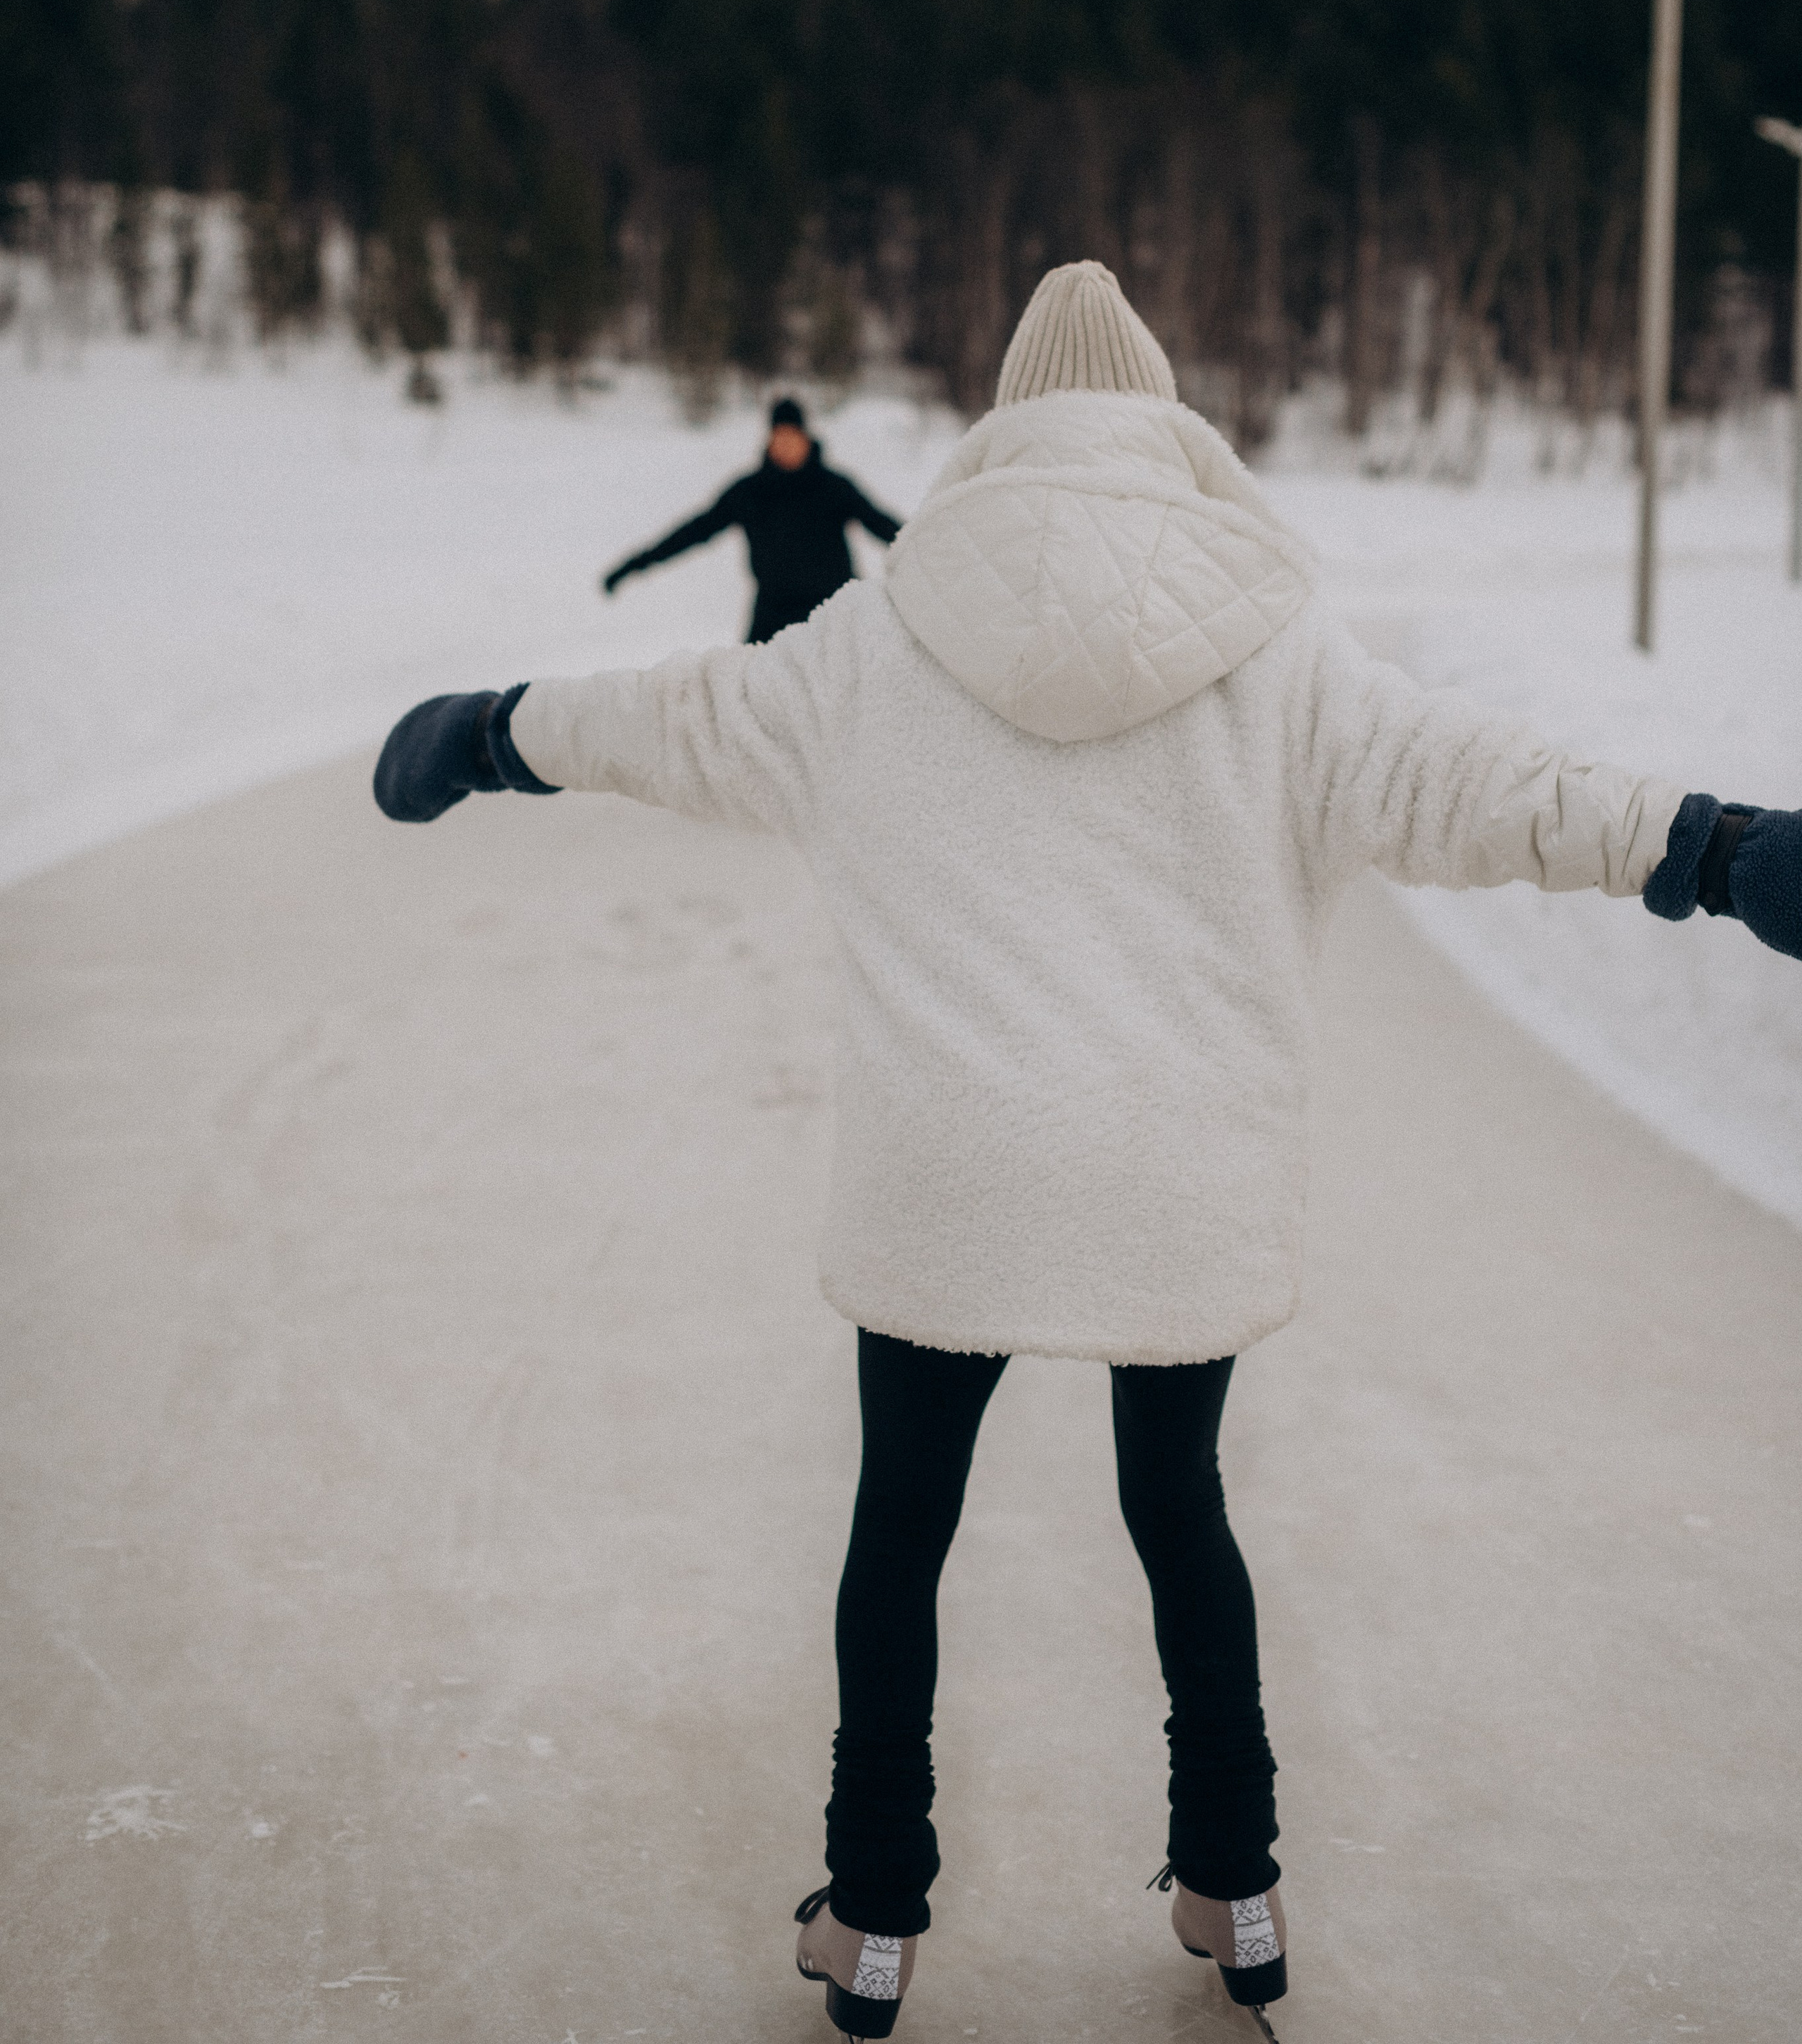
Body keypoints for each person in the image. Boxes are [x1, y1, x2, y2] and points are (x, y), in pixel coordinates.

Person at [372, 263, 1801, 2040]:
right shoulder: (1278, 648)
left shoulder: (873, 638)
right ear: (1163, 421)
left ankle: (873, 1912)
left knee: (900, 1522)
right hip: (1172, 1173)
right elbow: (1484, 781)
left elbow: (663, 717)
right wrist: (1712, 842)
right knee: (1176, 1508)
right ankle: (1238, 1883)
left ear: (1002, 424)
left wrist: (479, 730)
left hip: (943, 1177)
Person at [601, 395, 902, 642]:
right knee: (750, 699)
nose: (785, 444)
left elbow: (885, 527)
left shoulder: (834, 487)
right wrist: (632, 567)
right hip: (773, 613)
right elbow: (695, 531)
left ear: (806, 438)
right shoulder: (751, 491)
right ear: (770, 439)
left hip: (834, 612)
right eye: (779, 436)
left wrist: (929, 549)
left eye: (792, 436)